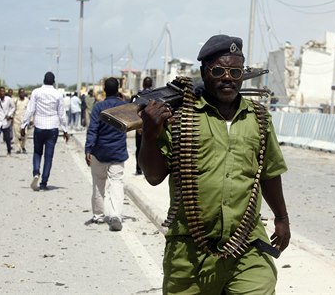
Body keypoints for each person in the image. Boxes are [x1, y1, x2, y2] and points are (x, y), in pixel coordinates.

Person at [138, 34, 291, 294]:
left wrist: (282, 217)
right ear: (204, 72)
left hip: (247, 245)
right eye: (219, 70)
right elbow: (153, 177)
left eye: (235, 71)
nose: (228, 77)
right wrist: (150, 135)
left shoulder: (259, 118)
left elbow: (269, 173)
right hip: (189, 250)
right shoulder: (179, 116)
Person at [84, 77, 129, 231]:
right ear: (118, 90)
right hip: (118, 151)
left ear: (104, 89)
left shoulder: (98, 107)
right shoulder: (124, 107)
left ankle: (98, 215)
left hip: (100, 151)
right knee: (116, 183)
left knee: (99, 182)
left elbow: (93, 129)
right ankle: (116, 215)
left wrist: (88, 149)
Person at [20, 72, 69, 191]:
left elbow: (30, 110)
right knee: (48, 156)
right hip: (52, 128)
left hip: (39, 126)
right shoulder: (57, 94)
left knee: (37, 152)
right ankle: (43, 184)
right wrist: (66, 130)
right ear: (53, 81)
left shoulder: (36, 92)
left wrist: (23, 125)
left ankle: (36, 172)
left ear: (43, 80)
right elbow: (62, 114)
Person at [133, 76, 153, 175]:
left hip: (140, 126)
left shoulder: (137, 96)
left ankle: (138, 169)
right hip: (152, 126)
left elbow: (132, 111)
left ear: (143, 84)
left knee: (139, 148)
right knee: (151, 148)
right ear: (151, 84)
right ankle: (149, 170)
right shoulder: (155, 95)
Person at [0, 86, 16, 158]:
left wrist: (9, 115)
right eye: (1, 91)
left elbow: (13, 107)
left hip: (6, 123)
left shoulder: (9, 99)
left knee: (7, 138)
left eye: (3, 91)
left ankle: (9, 151)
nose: (2, 93)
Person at [13, 88, 30, 153]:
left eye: (23, 92)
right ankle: (18, 148)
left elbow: (29, 111)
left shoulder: (27, 101)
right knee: (17, 135)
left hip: (24, 121)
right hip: (16, 120)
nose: (22, 94)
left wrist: (31, 119)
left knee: (24, 134)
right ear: (18, 93)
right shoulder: (16, 100)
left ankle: (23, 146)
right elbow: (13, 109)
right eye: (20, 93)